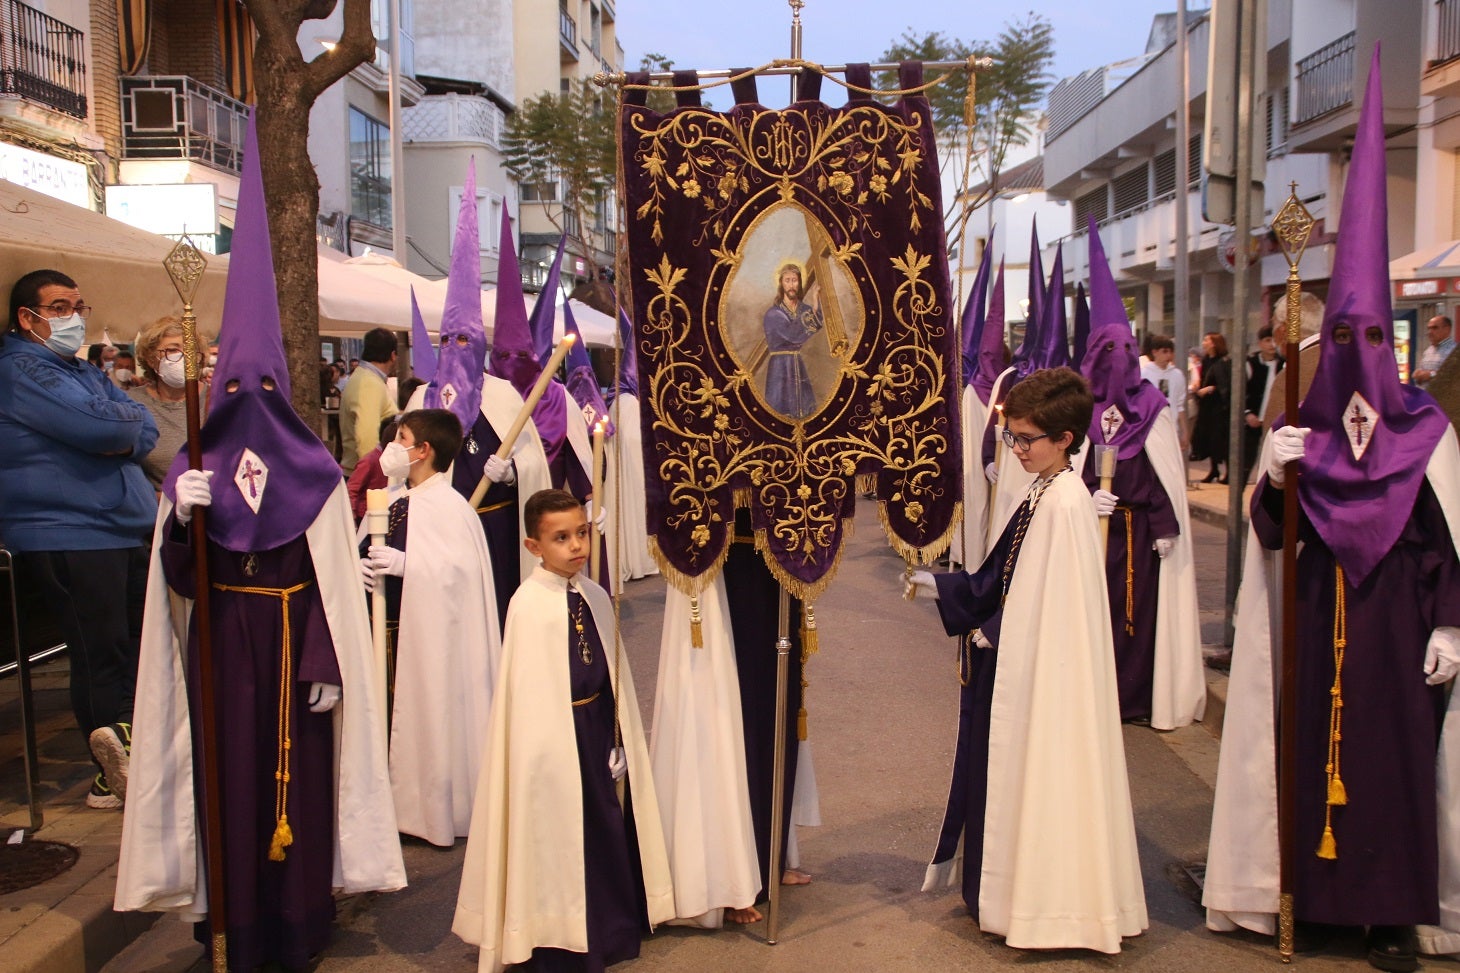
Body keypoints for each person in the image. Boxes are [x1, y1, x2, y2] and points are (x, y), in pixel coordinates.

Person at [115, 116, 404, 971]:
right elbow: (177, 584)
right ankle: (229, 922)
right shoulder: (195, 466)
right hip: (221, 647)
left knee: (296, 788)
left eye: (264, 383)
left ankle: (298, 921)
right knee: (226, 783)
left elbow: (329, 585)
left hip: (290, 646)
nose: (248, 397)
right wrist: (178, 518)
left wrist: (321, 658)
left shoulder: (313, 472)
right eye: (233, 383)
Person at [1205, 52, 1460, 973]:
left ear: (1387, 344)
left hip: (1394, 621)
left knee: (1390, 767)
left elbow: (1445, 543)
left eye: (1365, 337)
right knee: (1306, 760)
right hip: (1315, 617)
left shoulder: (1424, 430)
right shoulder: (1301, 425)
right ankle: (1308, 901)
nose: (1350, 355)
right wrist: (1274, 479)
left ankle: (1389, 913)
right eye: (1337, 336)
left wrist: (1452, 625)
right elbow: (1273, 541)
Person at [907, 366, 1147, 954]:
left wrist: (996, 629)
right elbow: (1004, 575)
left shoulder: (1065, 503)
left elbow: (1053, 607)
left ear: (1065, 438)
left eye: (1025, 439)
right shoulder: (1044, 491)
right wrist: (949, 587)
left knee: (1044, 783)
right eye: (1010, 436)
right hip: (1021, 659)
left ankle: (1050, 910)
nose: (1014, 450)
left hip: (1046, 682)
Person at [453, 488, 673, 972]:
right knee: (556, 838)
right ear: (534, 546)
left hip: (594, 728)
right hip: (551, 742)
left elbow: (613, 672)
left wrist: (617, 734)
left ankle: (610, 929)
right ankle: (553, 937)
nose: (576, 546)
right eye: (560, 538)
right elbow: (526, 698)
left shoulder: (594, 595)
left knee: (603, 828)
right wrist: (543, 754)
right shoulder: (527, 605)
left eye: (581, 534)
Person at [0, 269, 157, 810]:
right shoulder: (19, 369)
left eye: (79, 306)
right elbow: (110, 430)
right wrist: (117, 431)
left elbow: (144, 428)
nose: (75, 317)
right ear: (29, 317)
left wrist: (119, 428)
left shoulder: (80, 370)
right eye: (62, 307)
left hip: (119, 527)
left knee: (138, 642)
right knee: (100, 652)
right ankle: (106, 771)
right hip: (70, 531)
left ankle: (134, 747)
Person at [359, 408, 500, 847]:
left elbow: (457, 576)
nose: (390, 448)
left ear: (423, 450)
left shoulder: (449, 506)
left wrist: (408, 565)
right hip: (388, 633)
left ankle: (429, 807)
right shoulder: (397, 497)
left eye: (399, 438)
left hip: (424, 637)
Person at [1080, 303, 1204, 728]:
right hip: (1087, 534)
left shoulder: (1152, 405)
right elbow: (1060, 471)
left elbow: (1161, 476)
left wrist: (1166, 526)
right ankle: (1086, 696)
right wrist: (1083, 498)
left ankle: (1131, 699)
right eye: (1109, 348)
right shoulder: (1076, 404)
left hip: (1137, 536)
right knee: (1088, 614)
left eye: (1126, 348)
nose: (1118, 358)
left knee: (1136, 618)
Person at [129, 316, 206, 491]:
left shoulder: (216, 399)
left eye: (191, 350)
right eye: (173, 350)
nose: (184, 358)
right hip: (160, 510)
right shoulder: (132, 404)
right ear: (150, 358)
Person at [762, 261, 823, 419]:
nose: (791, 285)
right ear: (781, 284)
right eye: (787, 280)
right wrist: (814, 309)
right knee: (781, 415)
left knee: (804, 414)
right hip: (780, 368)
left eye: (794, 280)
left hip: (797, 364)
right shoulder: (773, 314)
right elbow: (794, 335)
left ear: (799, 282)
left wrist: (816, 303)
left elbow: (818, 320)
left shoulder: (804, 309)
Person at [340, 326, 399, 473]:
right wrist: (373, 476)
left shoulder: (365, 378)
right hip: (365, 475)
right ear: (393, 355)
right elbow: (366, 436)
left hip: (360, 470)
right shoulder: (369, 383)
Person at [1242, 323, 1284, 483]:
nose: (1272, 344)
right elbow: (1240, 392)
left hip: (1275, 421)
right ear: (1260, 342)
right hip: (1252, 420)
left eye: (1274, 340)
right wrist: (1247, 413)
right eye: (1267, 340)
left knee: (1273, 461)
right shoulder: (1250, 363)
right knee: (1246, 461)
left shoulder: (1284, 364)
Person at [1192, 331, 1231, 483]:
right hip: (1207, 407)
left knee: (1221, 439)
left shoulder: (1224, 361)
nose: (1203, 343)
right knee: (1209, 438)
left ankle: (1229, 472)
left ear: (1214, 343)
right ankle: (1214, 469)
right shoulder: (1207, 360)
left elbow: (1225, 384)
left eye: (1206, 340)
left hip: (1219, 408)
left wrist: (1210, 389)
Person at [1140, 334, 1189, 453]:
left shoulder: (1177, 375)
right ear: (1155, 352)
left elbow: (1179, 405)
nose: (1169, 355)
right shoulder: (1144, 374)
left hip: (1171, 429)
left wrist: (1185, 432)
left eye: (1171, 352)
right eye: (1165, 351)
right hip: (1150, 430)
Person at [346, 416, 394, 522]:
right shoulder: (369, 461)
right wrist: (352, 516)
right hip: (366, 516)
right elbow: (352, 488)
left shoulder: (392, 460)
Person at [1414, 314, 1455, 388]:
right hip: (1426, 396)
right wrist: (1418, 376)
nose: (1430, 332)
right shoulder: (1428, 351)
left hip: (1444, 397)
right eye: (1429, 328)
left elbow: (1454, 375)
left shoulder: (1454, 350)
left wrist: (1431, 375)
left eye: (1435, 328)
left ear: (1447, 329)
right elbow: (1421, 373)